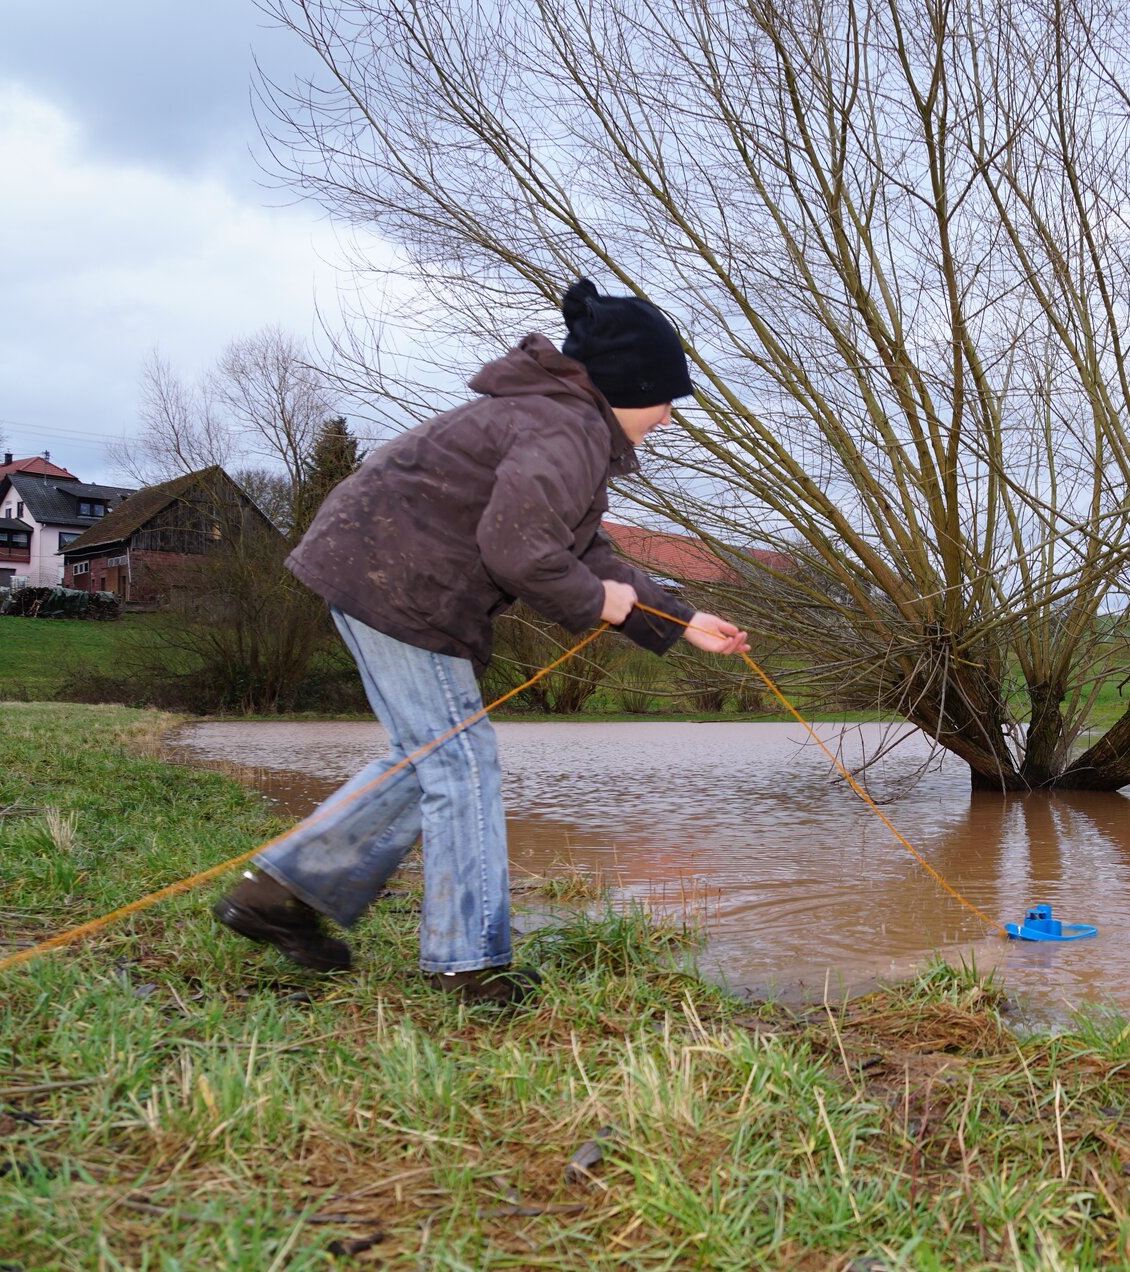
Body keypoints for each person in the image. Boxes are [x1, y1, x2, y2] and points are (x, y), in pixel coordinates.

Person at [212, 279, 749, 1007]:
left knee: (429, 756)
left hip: (376, 572)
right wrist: (598, 602)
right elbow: (520, 550)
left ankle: (277, 894)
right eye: (667, 399)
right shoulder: (564, 430)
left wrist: (683, 622)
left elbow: (581, 549)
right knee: (461, 760)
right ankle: (467, 965)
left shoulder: (563, 425)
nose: (668, 417)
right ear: (633, 384)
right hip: (397, 583)